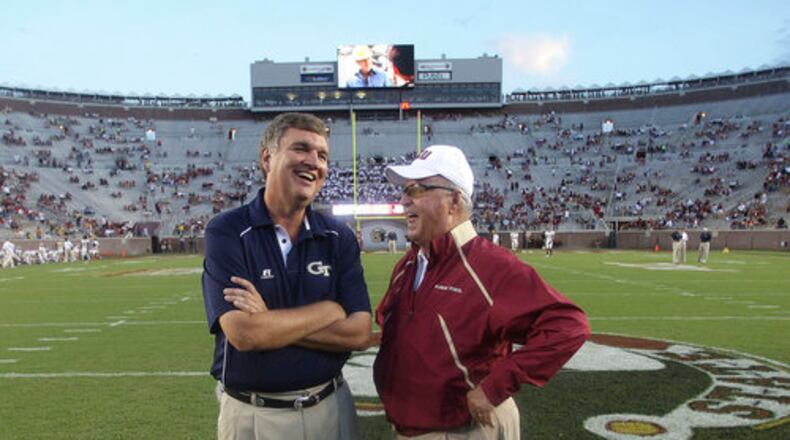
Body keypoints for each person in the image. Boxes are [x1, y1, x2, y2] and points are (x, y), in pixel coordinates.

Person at [373, 145, 590, 439]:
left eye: (417, 189)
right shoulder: (408, 263)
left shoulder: (489, 266)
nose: (403, 200)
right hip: (409, 427)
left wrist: (494, 387)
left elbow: (568, 326)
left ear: (454, 202)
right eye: (404, 191)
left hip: (464, 430)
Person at [201, 113, 372, 440]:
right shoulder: (228, 230)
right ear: (267, 158)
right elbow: (245, 334)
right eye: (301, 149)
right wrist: (327, 312)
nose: (314, 162)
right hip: (253, 414)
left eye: (322, 155)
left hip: (330, 408)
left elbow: (360, 333)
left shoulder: (339, 237)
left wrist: (270, 321)